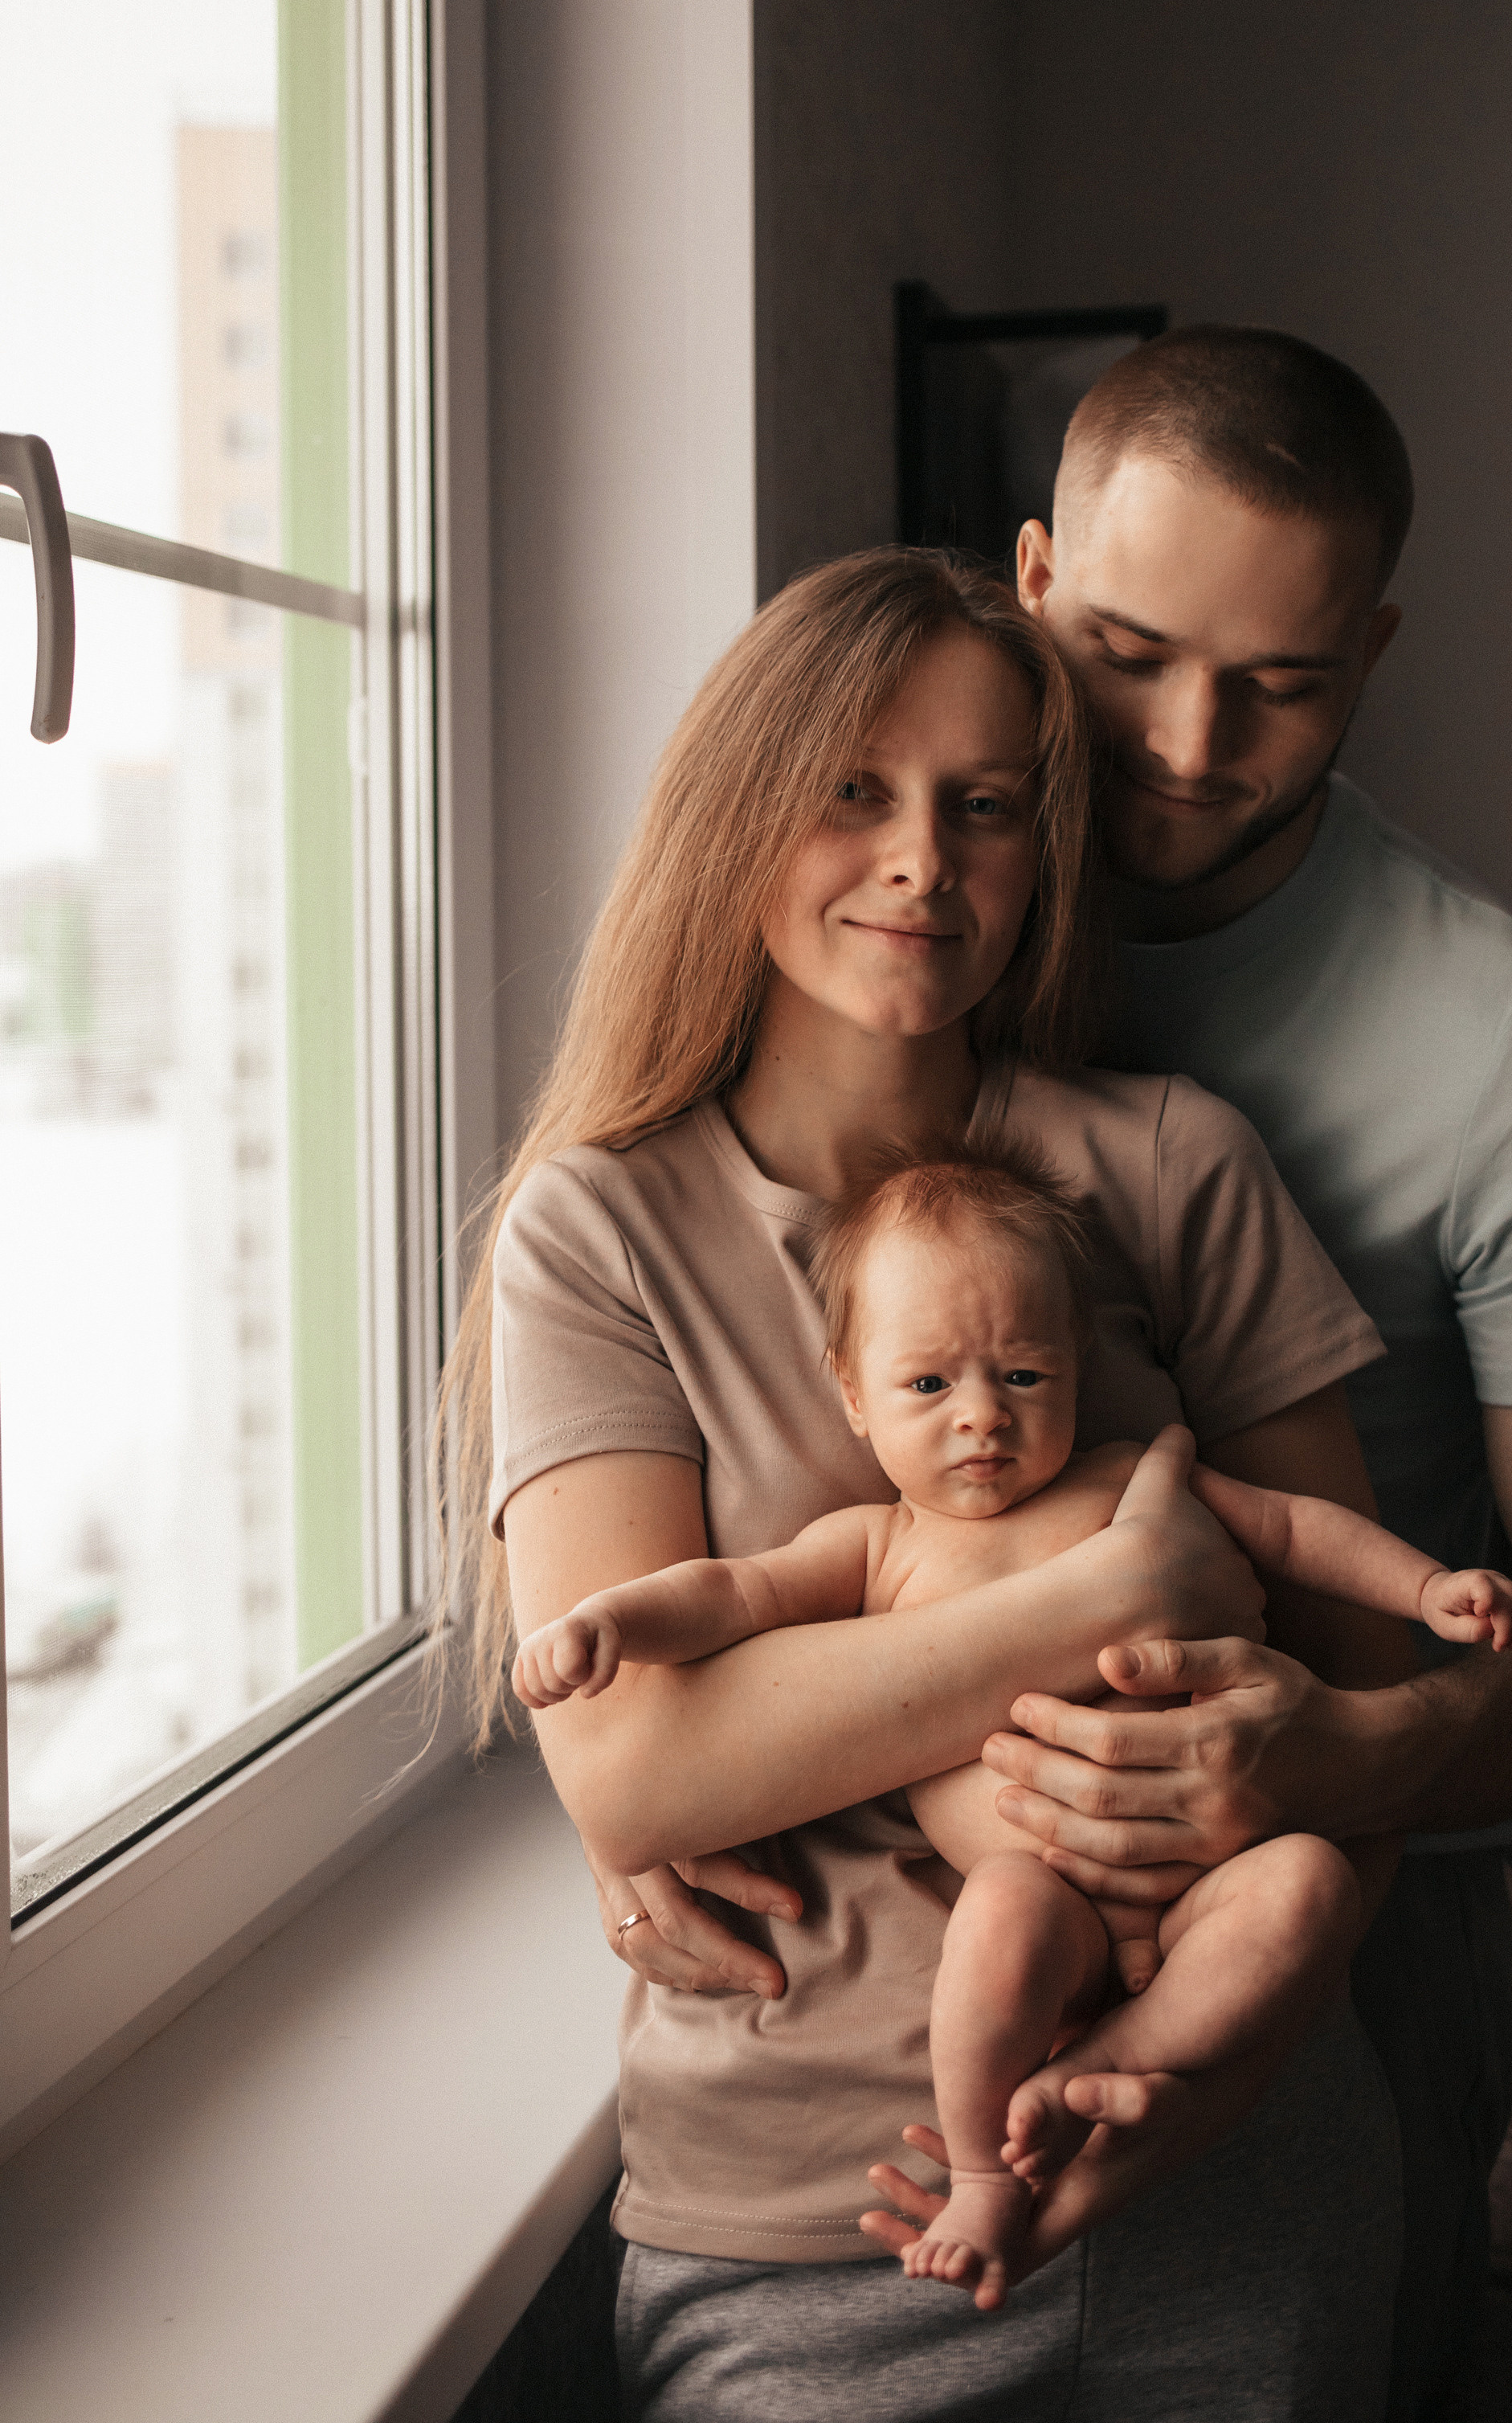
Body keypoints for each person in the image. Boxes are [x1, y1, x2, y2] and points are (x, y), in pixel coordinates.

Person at [444, 548, 1412, 2421]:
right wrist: (1108, 1597)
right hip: (808, 2230)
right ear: (738, 813)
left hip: (1232, 2174)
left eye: (987, 808)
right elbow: (643, 1761)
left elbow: (1361, 1723)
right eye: (853, 792)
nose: (923, 862)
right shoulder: (600, 1231)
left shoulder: (1169, 1163)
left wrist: (1238, 2037)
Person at [986, 324, 1512, 2417]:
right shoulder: (890, 914)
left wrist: (1342, 1760)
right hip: (912, 1881)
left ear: (1372, 650)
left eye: (1280, 682)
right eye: (1129, 651)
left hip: (1360, 1923)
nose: (1189, 741)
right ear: (1033, 577)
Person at [510, 1138, 1512, 2315]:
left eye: (1025, 1378)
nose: (983, 1419)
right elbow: (730, 1596)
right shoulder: (876, 1544)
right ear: (851, 1390)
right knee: (991, 1928)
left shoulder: (1126, 1481)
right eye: (930, 1385)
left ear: (1078, 1372)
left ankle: (1117, 2064)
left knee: (1308, 1890)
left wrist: (1424, 1592)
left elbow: (1298, 1532)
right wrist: (606, 1623)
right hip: (1043, 1896)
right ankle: (987, 2171)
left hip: (1208, 1882)